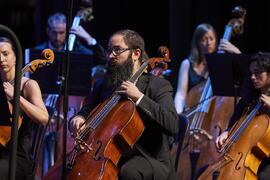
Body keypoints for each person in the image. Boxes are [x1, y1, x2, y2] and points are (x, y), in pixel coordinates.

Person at [69, 29, 179, 180]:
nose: (110, 56)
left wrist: (139, 97)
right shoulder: (104, 85)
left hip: (149, 158)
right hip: (109, 155)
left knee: (129, 171)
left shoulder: (157, 85)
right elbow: (87, 110)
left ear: (136, 54)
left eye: (117, 50)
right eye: (109, 51)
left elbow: (173, 123)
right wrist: (78, 118)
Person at [215, 52, 270, 180]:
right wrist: (227, 132)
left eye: (257, 73)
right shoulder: (250, 99)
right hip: (242, 157)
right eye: (251, 73)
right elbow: (236, 118)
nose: (252, 77)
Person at [0, 36, 49, 179]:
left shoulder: (28, 85)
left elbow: (44, 118)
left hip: (17, 156)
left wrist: (16, 97)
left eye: (5, 53)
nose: (1, 59)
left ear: (16, 57)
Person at [174, 23, 241, 114]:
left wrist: (237, 52)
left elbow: (242, 75)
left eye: (211, 39)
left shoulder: (219, 64)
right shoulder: (187, 64)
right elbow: (181, 94)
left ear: (216, 41)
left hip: (213, 115)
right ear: (197, 42)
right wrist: (178, 114)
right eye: (204, 39)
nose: (208, 43)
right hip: (191, 113)